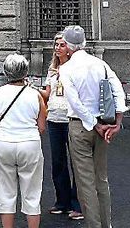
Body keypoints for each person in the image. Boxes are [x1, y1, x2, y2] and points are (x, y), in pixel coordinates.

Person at [57, 25, 127, 228]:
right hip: (105, 126)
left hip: (81, 127)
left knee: (85, 182)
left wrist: (94, 124)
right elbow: (118, 91)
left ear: (68, 46)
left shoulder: (67, 69)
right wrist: (117, 123)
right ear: (85, 43)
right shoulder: (101, 64)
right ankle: (107, 225)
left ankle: (94, 226)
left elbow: (75, 103)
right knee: (101, 179)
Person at [0, 54, 47, 228]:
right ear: (26, 72)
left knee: (5, 193)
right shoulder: (35, 95)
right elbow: (42, 126)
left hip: (3, 142)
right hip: (29, 142)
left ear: (6, 72)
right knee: (32, 193)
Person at [42, 32, 83, 220]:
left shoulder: (76, 69)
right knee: (58, 162)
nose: (58, 48)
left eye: (62, 45)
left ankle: (77, 204)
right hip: (54, 119)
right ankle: (62, 201)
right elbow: (47, 94)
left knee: (76, 163)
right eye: (56, 45)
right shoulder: (52, 70)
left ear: (70, 48)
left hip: (71, 118)